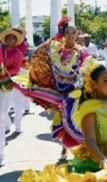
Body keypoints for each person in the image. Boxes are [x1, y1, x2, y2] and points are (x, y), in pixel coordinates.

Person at [13, 25, 89, 160]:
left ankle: (85, 151)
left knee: (77, 120)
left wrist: (78, 82)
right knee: (63, 121)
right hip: (59, 90)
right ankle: (64, 150)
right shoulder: (58, 49)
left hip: (76, 92)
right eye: (67, 32)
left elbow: (87, 67)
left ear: (77, 34)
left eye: (73, 32)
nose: (70, 35)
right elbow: (38, 52)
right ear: (63, 34)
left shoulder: (82, 51)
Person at [0, 29, 24, 166]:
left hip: (7, 84)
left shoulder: (18, 53)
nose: (10, 40)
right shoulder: (0, 49)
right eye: (8, 38)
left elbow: (16, 68)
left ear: (15, 41)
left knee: (2, 116)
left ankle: (1, 154)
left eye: (12, 39)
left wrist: (4, 74)